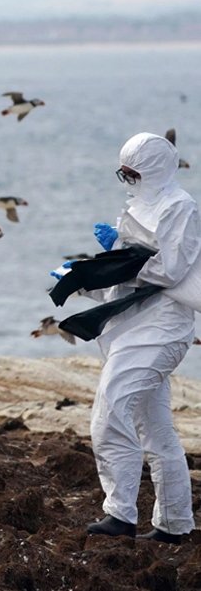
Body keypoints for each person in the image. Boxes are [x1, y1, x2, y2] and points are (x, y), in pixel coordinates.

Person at [71, 132, 199, 544]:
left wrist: (121, 260)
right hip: (136, 324)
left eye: (133, 173)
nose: (127, 180)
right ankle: (174, 524)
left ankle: (120, 513)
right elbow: (140, 266)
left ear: (155, 169)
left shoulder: (180, 207)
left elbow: (170, 270)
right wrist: (92, 273)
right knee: (156, 430)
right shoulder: (142, 203)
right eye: (123, 174)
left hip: (162, 329)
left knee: (109, 412)